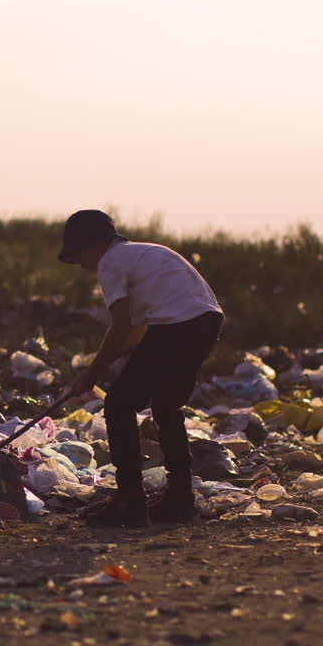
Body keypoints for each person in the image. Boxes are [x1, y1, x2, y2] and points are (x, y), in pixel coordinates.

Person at [57, 210, 223, 527]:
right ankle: (180, 500)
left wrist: (93, 371)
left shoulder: (111, 261)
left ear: (93, 244)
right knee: (166, 406)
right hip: (206, 321)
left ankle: (130, 502)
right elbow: (134, 330)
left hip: (178, 326)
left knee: (118, 404)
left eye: (77, 253)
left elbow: (120, 325)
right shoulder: (143, 253)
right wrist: (111, 360)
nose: (79, 263)